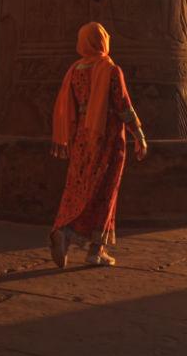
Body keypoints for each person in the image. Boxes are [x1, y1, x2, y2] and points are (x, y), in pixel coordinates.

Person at [49, 21, 149, 269]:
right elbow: (123, 106)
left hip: (82, 138)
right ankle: (95, 250)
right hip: (107, 137)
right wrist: (139, 134)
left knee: (78, 187)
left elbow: (69, 107)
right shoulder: (110, 69)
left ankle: (64, 230)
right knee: (105, 192)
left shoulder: (74, 70)